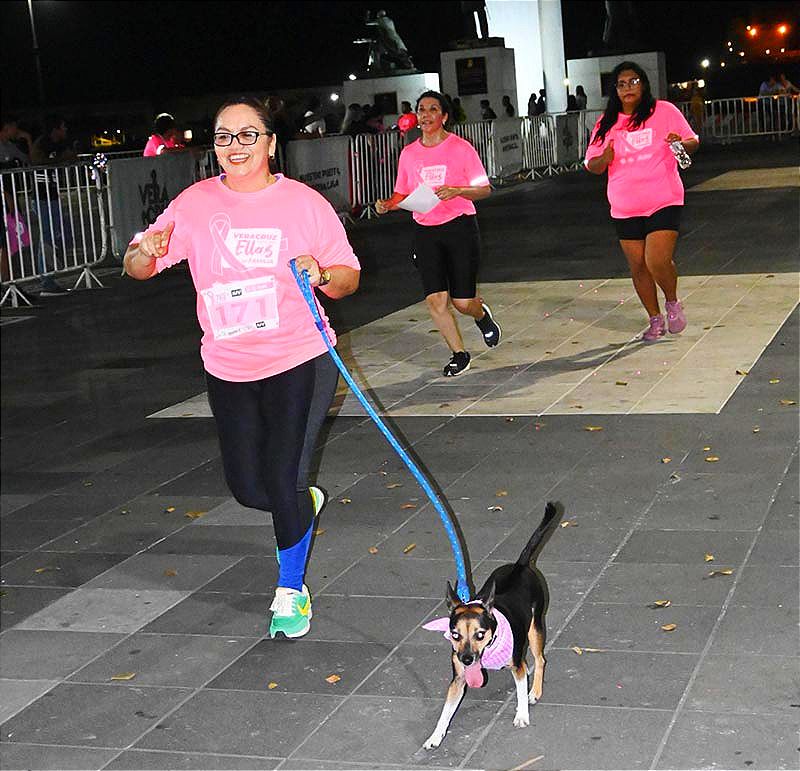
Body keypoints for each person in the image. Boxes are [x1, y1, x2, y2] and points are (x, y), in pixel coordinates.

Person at [123, 96, 361, 638]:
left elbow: (348, 275)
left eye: (248, 134)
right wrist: (147, 251)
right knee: (249, 489)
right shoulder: (195, 203)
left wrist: (322, 274)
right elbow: (137, 265)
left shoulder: (303, 203)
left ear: (271, 143)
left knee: (281, 479)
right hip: (228, 365)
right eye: (224, 136)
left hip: (299, 357)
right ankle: (300, 502)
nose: (235, 145)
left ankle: (291, 591)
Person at [375, 91, 501, 377]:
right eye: (422, 109)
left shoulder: (461, 148)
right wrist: (387, 205)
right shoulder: (409, 154)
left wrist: (458, 190)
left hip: (459, 227)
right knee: (435, 300)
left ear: (444, 116)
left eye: (433, 109)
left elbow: (484, 189)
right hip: (425, 231)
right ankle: (459, 354)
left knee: (462, 302)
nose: (426, 115)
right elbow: (401, 193)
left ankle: (481, 316)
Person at [584, 61, 699, 342]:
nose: (628, 88)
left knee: (656, 259)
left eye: (633, 82)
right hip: (625, 205)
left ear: (644, 84)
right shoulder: (606, 123)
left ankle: (672, 301)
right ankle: (654, 318)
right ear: (615, 90)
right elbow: (591, 164)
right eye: (621, 84)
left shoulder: (664, 111)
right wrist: (604, 159)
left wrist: (679, 143)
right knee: (638, 267)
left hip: (664, 197)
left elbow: (692, 142)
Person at [31, 114, 77, 296]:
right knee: (47, 236)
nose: (66, 130)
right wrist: (60, 159)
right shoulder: (42, 143)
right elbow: (36, 160)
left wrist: (68, 156)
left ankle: (49, 275)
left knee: (59, 234)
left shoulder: (58, 144)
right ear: (55, 129)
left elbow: (70, 157)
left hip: (52, 196)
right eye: (63, 127)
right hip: (41, 197)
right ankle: (47, 281)